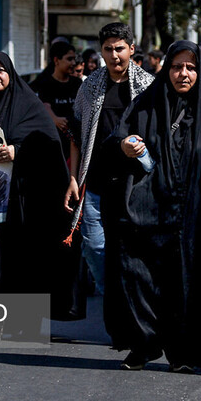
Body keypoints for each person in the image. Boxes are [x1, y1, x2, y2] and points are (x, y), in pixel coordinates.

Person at [104, 40, 201, 372]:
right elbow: (116, 141)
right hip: (147, 206)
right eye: (177, 66)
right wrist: (125, 146)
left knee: (184, 282)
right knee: (136, 273)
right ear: (167, 69)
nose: (183, 73)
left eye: (190, 67)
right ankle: (143, 344)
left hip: (193, 210)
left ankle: (182, 352)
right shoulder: (146, 104)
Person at [0, 50, 71, 341]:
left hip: (24, 199)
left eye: (0, 70)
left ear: (10, 72)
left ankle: (26, 322)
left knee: (24, 259)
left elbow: (47, 144)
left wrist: (16, 151)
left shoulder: (28, 104)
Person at [63, 23, 153, 297]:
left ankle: (129, 304)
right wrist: (74, 179)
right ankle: (110, 297)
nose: (115, 55)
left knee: (133, 248)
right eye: (108, 49)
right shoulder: (89, 87)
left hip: (134, 183)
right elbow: (76, 136)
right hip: (96, 181)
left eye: (120, 49)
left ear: (132, 49)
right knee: (95, 246)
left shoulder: (148, 87)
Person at [31, 41, 82, 160]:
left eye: (74, 59)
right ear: (56, 60)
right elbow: (44, 105)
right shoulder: (44, 84)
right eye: (69, 59)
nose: (73, 63)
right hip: (53, 144)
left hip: (75, 145)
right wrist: (55, 119)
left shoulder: (77, 84)